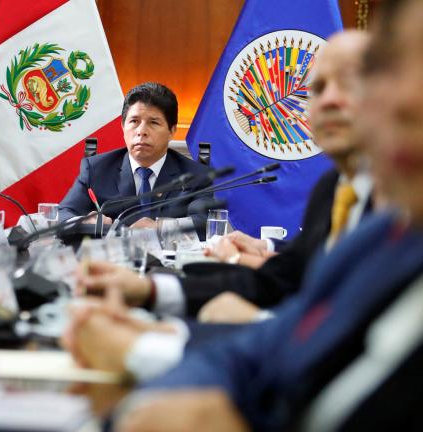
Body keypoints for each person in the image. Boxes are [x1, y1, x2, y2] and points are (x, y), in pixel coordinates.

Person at [114, 0, 423, 429]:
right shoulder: (379, 230)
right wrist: (148, 308)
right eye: (315, 88)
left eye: (357, 80)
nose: (403, 102)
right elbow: (284, 343)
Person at [62, 30, 375, 381]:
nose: (329, 100)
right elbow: (282, 279)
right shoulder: (332, 189)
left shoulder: (402, 207)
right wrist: (148, 291)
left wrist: (152, 346)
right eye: (317, 89)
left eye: (348, 84)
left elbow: (340, 331)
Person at [58, 82, 213, 234]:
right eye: (134, 121)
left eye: (153, 122)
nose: (141, 131)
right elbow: (64, 214)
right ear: (123, 127)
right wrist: (83, 222)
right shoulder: (96, 169)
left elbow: (203, 222)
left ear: (172, 131)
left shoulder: (196, 175)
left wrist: (159, 227)